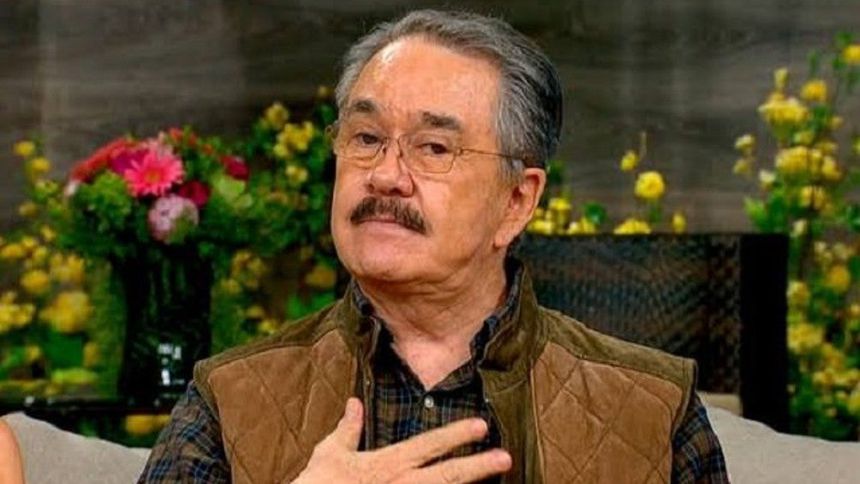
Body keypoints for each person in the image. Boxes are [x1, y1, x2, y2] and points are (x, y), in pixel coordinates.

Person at [139, 9, 728, 483]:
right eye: (365, 138)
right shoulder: (230, 397)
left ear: (516, 201)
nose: (384, 175)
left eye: (434, 148)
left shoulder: (653, 409)